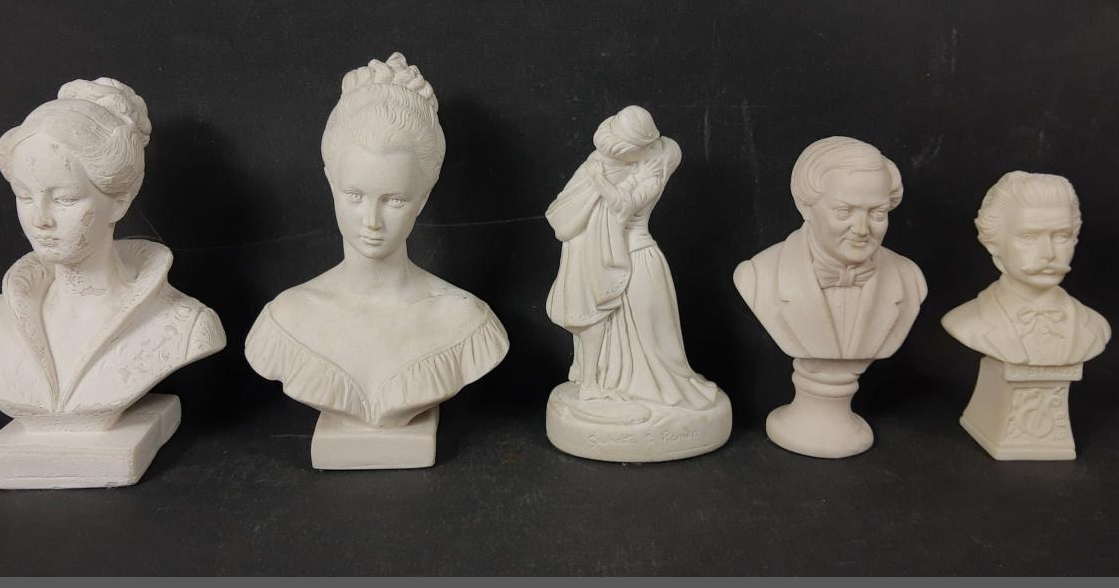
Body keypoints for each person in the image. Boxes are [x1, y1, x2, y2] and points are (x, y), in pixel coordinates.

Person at [245, 53, 508, 430]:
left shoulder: (465, 320)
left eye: (394, 200)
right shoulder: (287, 319)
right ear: (331, 183)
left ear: (423, 197)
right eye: (355, 195)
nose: (371, 221)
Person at [0, 78, 226, 429]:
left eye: (65, 199)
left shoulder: (184, 324)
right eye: (24, 196)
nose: (40, 219)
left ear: (119, 202)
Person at [545, 105, 717, 413]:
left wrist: (600, 180)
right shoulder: (609, 165)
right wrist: (598, 177)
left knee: (650, 333)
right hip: (598, 254)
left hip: (636, 258)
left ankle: (634, 384)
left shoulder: (652, 176)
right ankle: (600, 379)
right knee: (601, 317)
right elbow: (566, 209)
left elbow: (623, 207)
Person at [734, 136, 926, 361]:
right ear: (805, 207)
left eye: (878, 213)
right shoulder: (757, 277)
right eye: (844, 212)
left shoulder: (910, 278)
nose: (862, 229)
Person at [942, 171, 1109, 366]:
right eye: (1028, 237)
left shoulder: (1095, 326)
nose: (1049, 254)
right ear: (993, 242)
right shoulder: (965, 322)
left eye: (1061, 236)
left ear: (1074, 240)